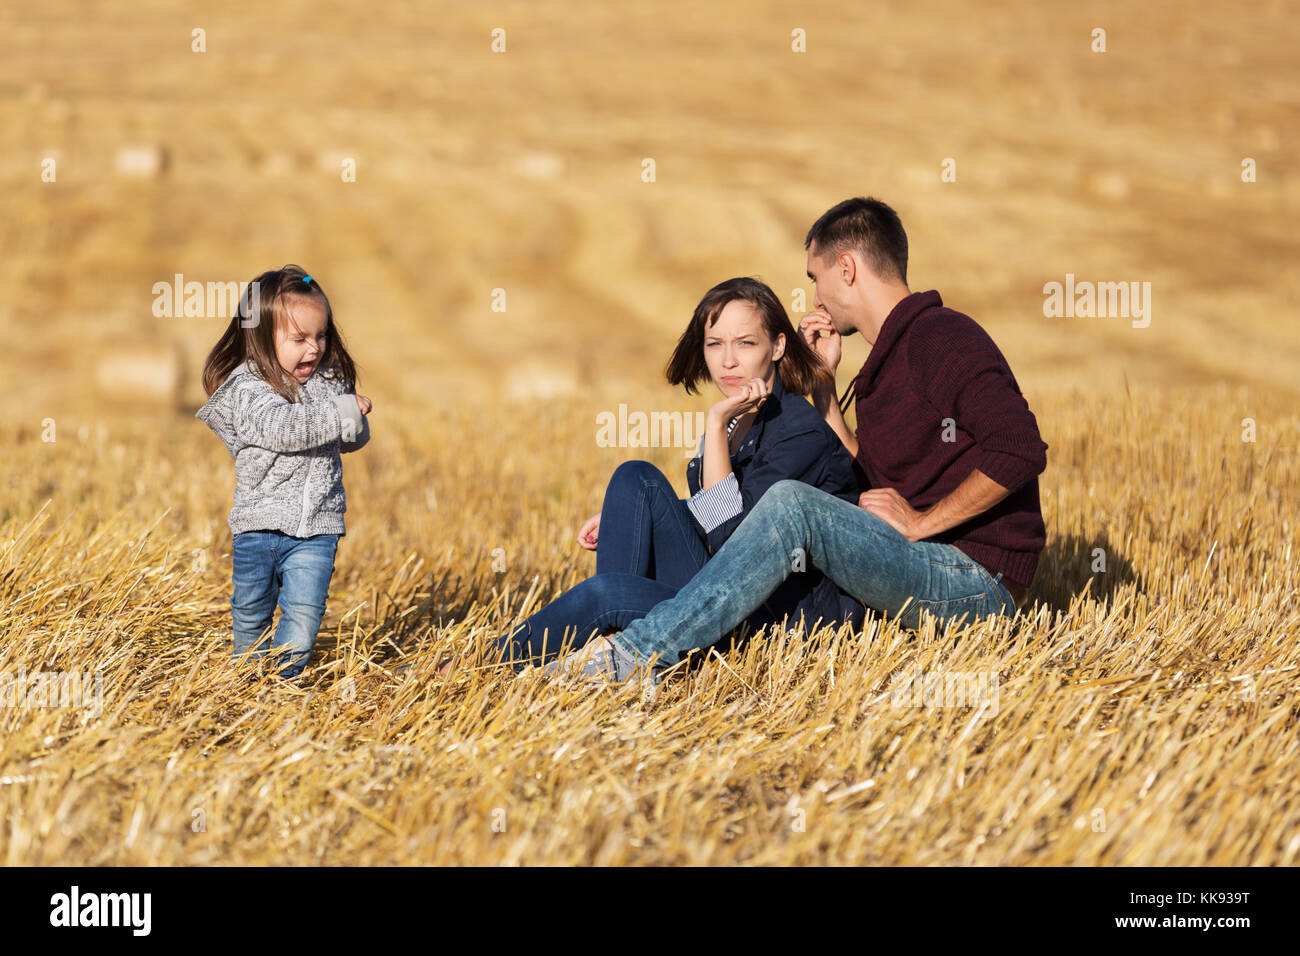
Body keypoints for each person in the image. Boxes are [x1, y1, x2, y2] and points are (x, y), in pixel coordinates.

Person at [554, 197, 1049, 684]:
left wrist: (922, 523)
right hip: (921, 563)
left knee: (790, 504)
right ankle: (620, 643)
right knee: (748, 499)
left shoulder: (941, 337)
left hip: (974, 584)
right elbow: (872, 478)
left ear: (847, 268)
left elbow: (1019, 448)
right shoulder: (891, 355)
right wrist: (825, 391)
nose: (814, 300)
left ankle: (634, 655)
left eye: (816, 278)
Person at [471, 277, 866, 674]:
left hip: (767, 623)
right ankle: (620, 650)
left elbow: (737, 544)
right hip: (720, 596)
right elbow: (718, 511)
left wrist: (713, 425)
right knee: (635, 478)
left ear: (778, 346)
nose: (727, 361)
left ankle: (481, 665)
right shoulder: (742, 419)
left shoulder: (798, 431)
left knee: (606, 593)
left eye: (745, 343)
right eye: (715, 344)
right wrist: (627, 519)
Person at [195, 265, 373, 678]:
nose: (314, 348)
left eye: (321, 335)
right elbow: (285, 430)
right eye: (300, 339)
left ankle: (284, 683)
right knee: (251, 613)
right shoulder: (249, 387)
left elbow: (349, 441)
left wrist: (356, 419)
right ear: (260, 336)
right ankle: (247, 679)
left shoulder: (329, 381)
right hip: (259, 528)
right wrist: (339, 411)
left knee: (303, 617)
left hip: (318, 530)